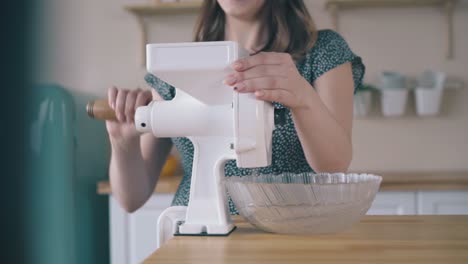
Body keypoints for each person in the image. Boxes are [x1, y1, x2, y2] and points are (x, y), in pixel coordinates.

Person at [107, 0, 365, 213]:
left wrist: (302, 97)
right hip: (196, 235)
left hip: (294, 233)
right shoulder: (175, 69)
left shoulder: (322, 51)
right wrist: (122, 143)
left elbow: (335, 165)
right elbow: (132, 199)